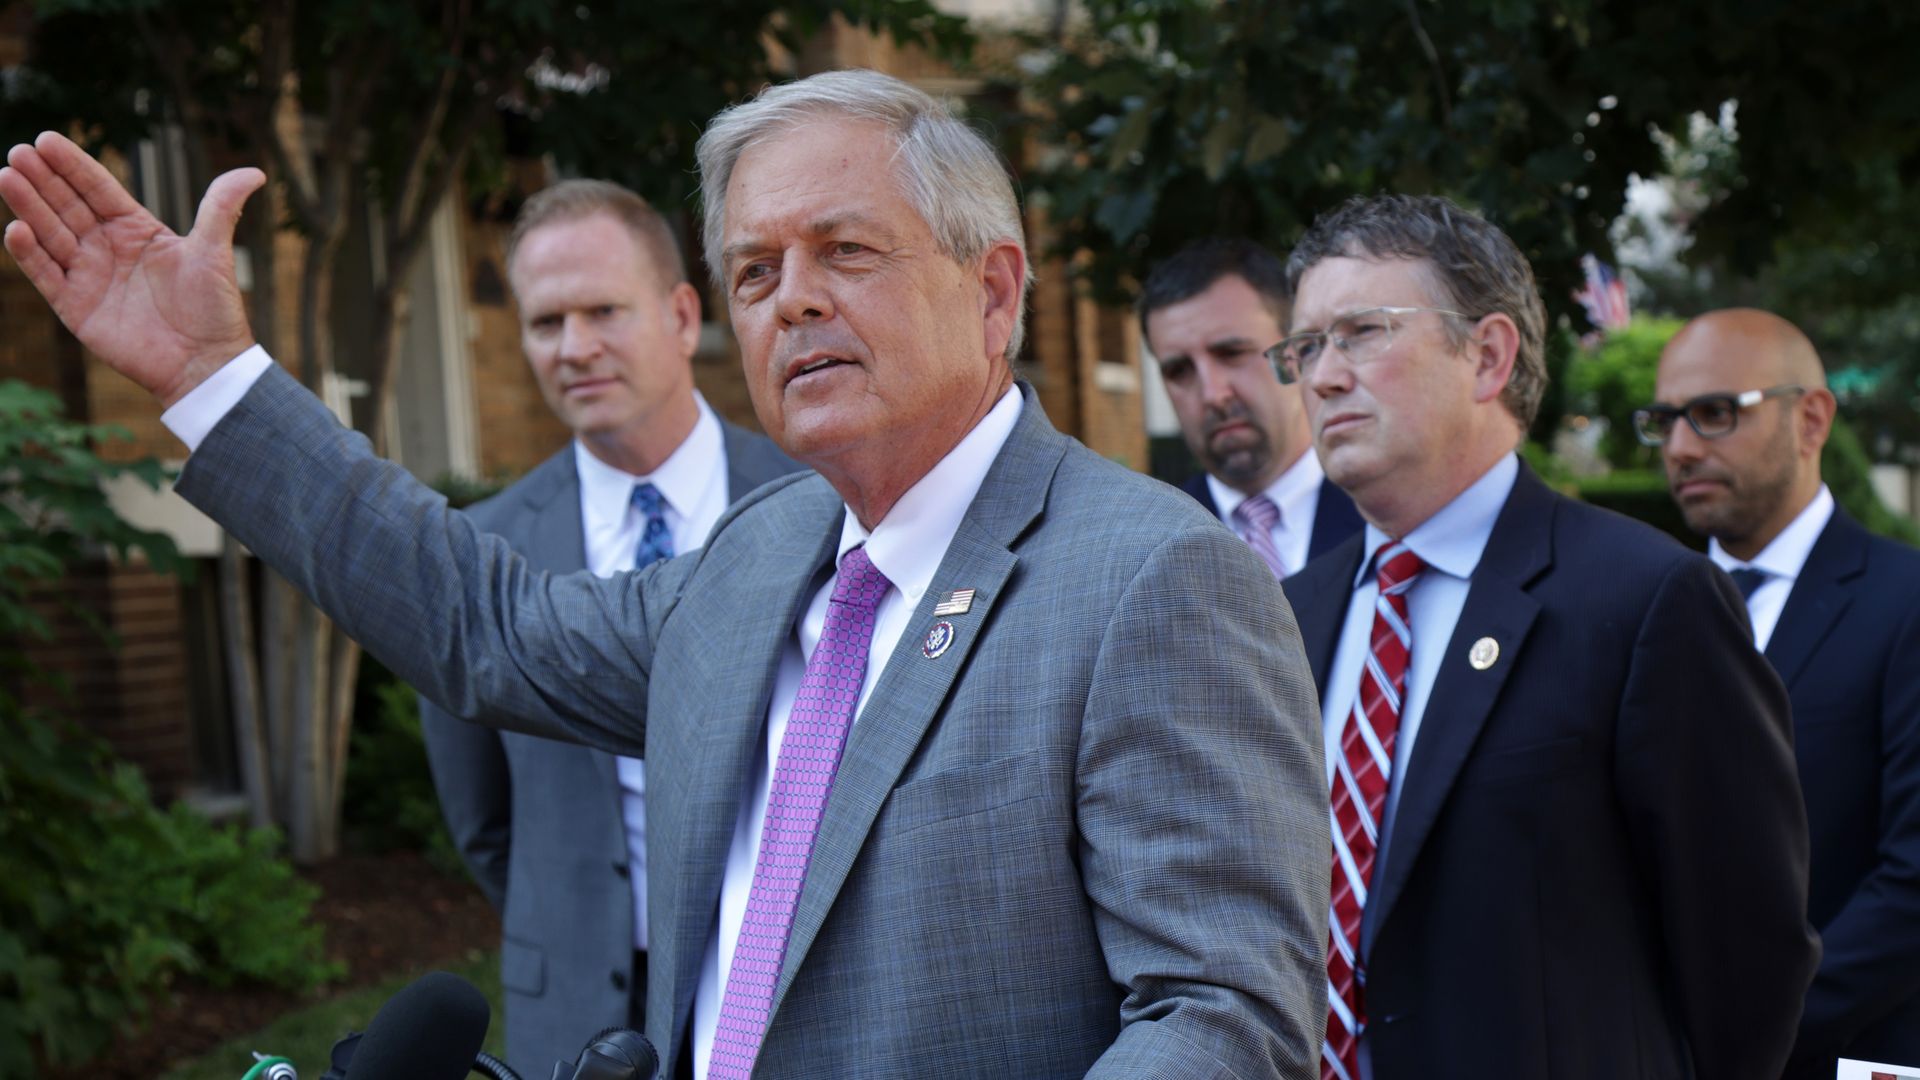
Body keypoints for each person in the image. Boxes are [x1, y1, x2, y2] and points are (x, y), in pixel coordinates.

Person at [1, 69, 1329, 1079]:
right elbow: (485, 623)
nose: (790, 299)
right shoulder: (755, 562)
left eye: (844, 250)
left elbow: (1221, 1019)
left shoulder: (1156, 579)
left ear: (994, 294)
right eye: (754, 269)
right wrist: (207, 382)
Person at [1271, 195, 1817, 1078]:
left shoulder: (1646, 602)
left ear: (1487, 356)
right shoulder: (1285, 617)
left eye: (1362, 331)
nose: (1323, 375)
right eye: (1303, 348)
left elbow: (1746, 958)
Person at [417, 179, 804, 1077]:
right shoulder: (486, 546)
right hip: (579, 993)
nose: (575, 348)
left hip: (777, 984)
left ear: (679, 315)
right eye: (546, 322)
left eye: (603, 311)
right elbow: (481, 817)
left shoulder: (813, 501)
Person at [1643, 309, 1920, 1078]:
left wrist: (1743, 1034)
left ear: (1812, 418)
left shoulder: (1906, 603)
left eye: (1714, 413)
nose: (1679, 447)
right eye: (1664, 420)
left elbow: (1912, 885)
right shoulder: (1632, 608)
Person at [1138, 238, 1362, 577]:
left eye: (1231, 354)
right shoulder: (1145, 546)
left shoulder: (1387, 513)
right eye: (1179, 371)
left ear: (1297, 352)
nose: (1213, 394)